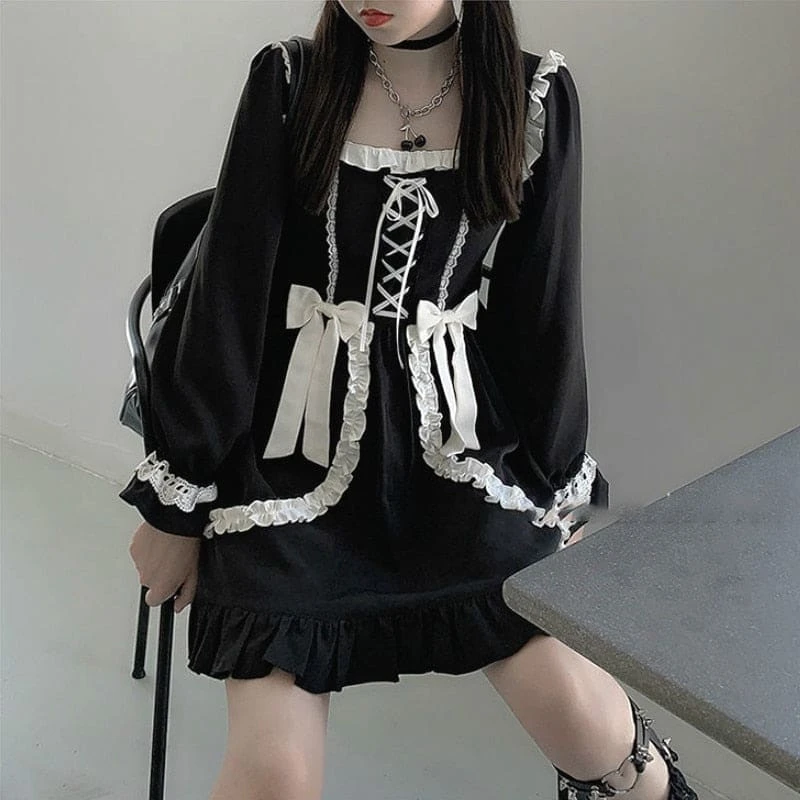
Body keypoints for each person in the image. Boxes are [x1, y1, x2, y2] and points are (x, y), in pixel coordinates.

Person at [122, 2, 698, 799]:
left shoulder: (533, 96)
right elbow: (228, 299)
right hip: (287, 458)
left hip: (454, 455)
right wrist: (176, 503)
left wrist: (556, 484)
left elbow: (541, 318)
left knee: (594, 730)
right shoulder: (290, 81)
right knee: (275, 778)